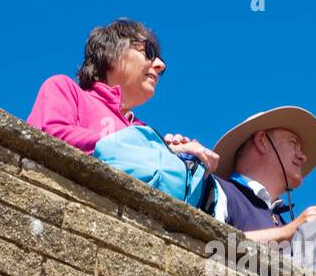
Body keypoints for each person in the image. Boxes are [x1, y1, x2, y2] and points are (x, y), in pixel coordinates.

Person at [26, 18, 217, 171]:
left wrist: (179, 157)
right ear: (110, 53)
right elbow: (48, 137)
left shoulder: (145, 132)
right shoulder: (65, 89)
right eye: (148, 52)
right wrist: (146, 151)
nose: (160, 65)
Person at [209, 107, 316, 243]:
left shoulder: (286, 223)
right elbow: (210, 242)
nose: (303, 157)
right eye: (293, 143)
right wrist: (288, 231)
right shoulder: (218, 191)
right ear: (261, 141)